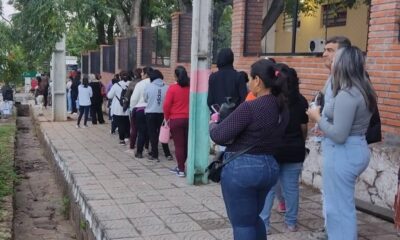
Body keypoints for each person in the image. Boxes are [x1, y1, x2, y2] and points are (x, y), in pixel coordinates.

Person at [209, 59, 289, 240]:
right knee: (253, 218)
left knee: (242, 223)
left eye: (251, 79)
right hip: (269, 166)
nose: (248, 83)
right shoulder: (282, 108)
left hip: (243, 170)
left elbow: (219, 135)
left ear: (258, 81)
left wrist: (213, 125)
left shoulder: (250, 107)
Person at [307, 46, 377, 240]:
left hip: (343, 153)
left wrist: (317, 118)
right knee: (340, 206)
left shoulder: (348, 94)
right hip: (355, 149)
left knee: (338, 210)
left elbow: (339, 135)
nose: (332, 61)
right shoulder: (363, 89)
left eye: (336, 58)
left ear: (344, 64)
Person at [260, 65, 309, 234]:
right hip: (294, 149)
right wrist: (300, 142)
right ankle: (291, 223)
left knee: (269, 189)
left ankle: (264, 225)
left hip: (273, 150)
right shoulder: (301, 101)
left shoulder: (271, 100)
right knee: (292, 188)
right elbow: (304, 127)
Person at [163, 66, 190, 177]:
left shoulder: (172, 88)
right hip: (189, 120)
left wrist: (166, 118)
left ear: (176, 76)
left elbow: (166, 105)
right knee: (187, 145)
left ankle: (181, 169)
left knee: (179, 145)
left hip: (176, 120)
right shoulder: (191, 88)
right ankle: (182, 165)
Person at [144, 69, 172, 161]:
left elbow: (145, 99)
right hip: (163, 114)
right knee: (163, 133)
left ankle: (154, 155)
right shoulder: (167, 87)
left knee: (152, 134)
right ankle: (167, 154)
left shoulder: (148, 87)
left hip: (150, 113)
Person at [130, 67, 152, 158]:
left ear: (146, 74)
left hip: (140, 110)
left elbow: (134, 99)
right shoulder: (156, 83)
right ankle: (148, 148)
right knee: (151, 131)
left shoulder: (140, 84)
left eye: (142, 73)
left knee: (141, 132)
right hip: (153, 111)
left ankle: (139, 152)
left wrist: (132, 109)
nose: (141, 75)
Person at [107, 71, 130, 145]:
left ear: (120, 77)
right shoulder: (131, 84)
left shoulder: (116, 85)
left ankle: (122, 140)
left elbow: (109, 96)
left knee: (120, 125)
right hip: (127, 108)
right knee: (127, 123)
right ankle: (127, 137)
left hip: (118, 108)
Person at [126, 68, 142, 152]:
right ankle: (145, 145)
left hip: (134, 108)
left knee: (134, 128)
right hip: (144, 108)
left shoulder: (132, 83)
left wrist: (126, 105)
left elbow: (127, 96)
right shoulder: (145, 83)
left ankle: (132, 145)